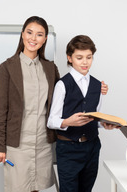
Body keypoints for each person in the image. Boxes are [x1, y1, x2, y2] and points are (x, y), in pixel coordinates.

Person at [0, 16, 109, 192]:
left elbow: (67, 98)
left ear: (45, 39)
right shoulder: (7, 67)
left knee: (36, 188)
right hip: (18, 143)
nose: (33, 38)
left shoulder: (49, 68)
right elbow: (0, 110)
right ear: (22, 34)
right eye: (29, 32)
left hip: (43, 142)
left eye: (39, 34)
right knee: (17, 188)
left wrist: (96, 88)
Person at [47, 35, 119, 192]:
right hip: (68, 148)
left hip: (92, 147)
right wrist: (67, 122)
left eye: (89, 57)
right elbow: (51, 120)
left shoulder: (98, 85)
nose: (85, 62)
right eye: (79, 58)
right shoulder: (62, 85)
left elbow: (94, 116)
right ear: (70, 58)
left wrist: (104, 124)